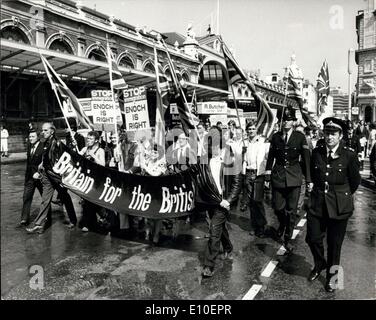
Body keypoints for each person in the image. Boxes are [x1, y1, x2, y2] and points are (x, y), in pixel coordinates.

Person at [306, 117, 360, 293]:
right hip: (318, 203)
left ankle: (333, 278)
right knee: (312, 238)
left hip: (339, 205)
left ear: (340, 135)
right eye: (327, 133)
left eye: (333, 133)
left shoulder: (349, 155)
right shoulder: (317, 152)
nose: (329, 137)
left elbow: (354, 181)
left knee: (335, 245)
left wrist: (341, 196)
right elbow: (314, 175)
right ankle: (320, 262)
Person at [265, 107, 311, 252]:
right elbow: (271, 156)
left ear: (293, 121)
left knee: (291, 210)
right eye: (284, 120)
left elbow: (306, 159)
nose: (286, 122)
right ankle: (283, 224)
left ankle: (287, 238)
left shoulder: (300, 137)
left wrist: (309, 180)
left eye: (289, 120)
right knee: (278, 207)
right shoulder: (276, 136)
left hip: (294, 176)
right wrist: (267, 174)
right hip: (278, 175)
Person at [198, 126, 242, 278]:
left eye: (215, 145)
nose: (213, 149)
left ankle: (209, 265)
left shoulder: (230, 157)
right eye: (210, 146)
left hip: (224, 201)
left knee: (214, 230)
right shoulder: (205, 159)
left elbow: (237, 182)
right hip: (212, 200)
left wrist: (228, 201)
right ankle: (228, 247)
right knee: (219, 227)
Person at [26, 122, 77, 234]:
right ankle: (39, 224)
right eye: (42, 130)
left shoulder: (58, 143)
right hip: (47, 177)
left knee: (65, 197)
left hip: (57, 177)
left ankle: (73, 220)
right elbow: (46, 157)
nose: (42, 132)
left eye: (45, 130)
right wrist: (42, 164)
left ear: (52, 131)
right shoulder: (45, 143)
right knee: (45, 200)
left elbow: (65, 159)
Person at [243, 121, 270, 237]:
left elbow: (269, 158)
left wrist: (268, 175)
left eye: (253, 129)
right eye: (249, 129)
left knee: (257, 201)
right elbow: (243, 159)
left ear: (256, 130)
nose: (251, 131)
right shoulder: (245, 143)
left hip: (259, 174)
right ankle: (255, 226)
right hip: (248, 173)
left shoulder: (263, 142)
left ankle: (261, 226)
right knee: (251, 202)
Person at [78, 131, 106, 233]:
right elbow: (77, 156)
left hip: (96, 180)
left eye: (90, 139)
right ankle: (94, 220)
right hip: (86, 178)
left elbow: (102, 164)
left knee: (91, 201)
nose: (88, 141)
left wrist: (93, 155)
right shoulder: (85, 149)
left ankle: (89, 223)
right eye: (87, 139)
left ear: (96, 140)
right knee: (87, 201)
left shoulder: (100, 150)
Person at [19, 130, 45, 226]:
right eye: (30, 137)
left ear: (38, 137)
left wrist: (39, 173)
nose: (31, 139)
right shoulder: (29, 146)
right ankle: (24, 218)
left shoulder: (43, 146)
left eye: (33, 137)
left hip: (39, 177)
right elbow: (29, 163)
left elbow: (45, 163)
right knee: (26, 197)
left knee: (44, 198)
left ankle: (46, 217)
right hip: (30, 177)